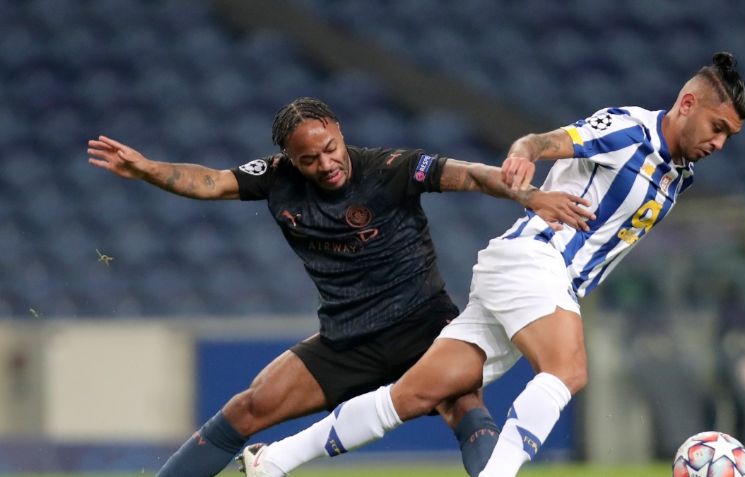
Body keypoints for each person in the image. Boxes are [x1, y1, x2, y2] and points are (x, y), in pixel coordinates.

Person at [237, 52, 745, 477]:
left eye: (729, 135)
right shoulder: (628, 130)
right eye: (717, 127)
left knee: (412, 395)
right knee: (567, 370)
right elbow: (547, 142)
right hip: (534, 260)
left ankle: (276, 460)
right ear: (687, 104)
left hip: (533, 278)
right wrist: (524, 153)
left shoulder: (677, 173)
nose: (719, 143)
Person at [87, 97, 593, 477]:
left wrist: (529, 195)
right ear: (288, 158)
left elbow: (474, 175)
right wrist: (148, 170)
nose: (325, 164)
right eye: (309, 160)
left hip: (426, 327)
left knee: (467, 409)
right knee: (249, 407)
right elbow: (211, 181)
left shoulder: (391, 168)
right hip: (346, 337)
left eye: (330, 149)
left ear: (339, 132)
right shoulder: (275, 178)